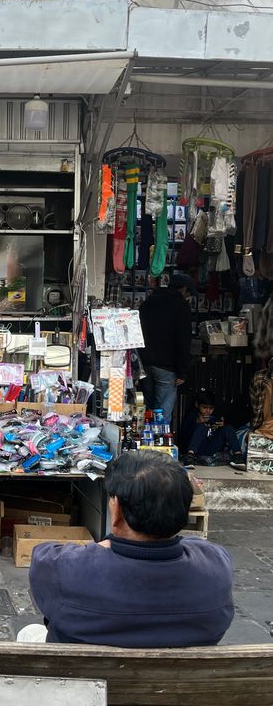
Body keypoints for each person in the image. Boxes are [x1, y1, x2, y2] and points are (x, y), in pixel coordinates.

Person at [26, 451, 234, 647]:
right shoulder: (217, 565)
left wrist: (108, 543)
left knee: (29, 632)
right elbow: (192, 545)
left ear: (117, 511)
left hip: (83, 679)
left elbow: (43, 554)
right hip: (180, 682)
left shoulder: (63, 567)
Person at [139, 272, 195, 427]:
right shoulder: (181, 306)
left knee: (147, 408)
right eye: (188, 293)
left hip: (144, 363)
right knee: (162, 411)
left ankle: (145, 443)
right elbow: (183, 340)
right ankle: (159, 445)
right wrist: (183, 370)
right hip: (166, 366)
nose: (188, 297)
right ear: (184, 289)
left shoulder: (148, 302)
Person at [180, 390, 245, 465]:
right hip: (196, 449)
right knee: (202, 427)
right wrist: (197, 422)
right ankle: (190, 457)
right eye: (204, 407)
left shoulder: (215, 416)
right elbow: (184, 434)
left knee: (228, 428)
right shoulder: (192, 415)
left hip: (211, 448)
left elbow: (223, 431)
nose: (208, 411)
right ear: (197, 404)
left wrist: (221, 425)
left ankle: (238, 455)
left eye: (211, 408)